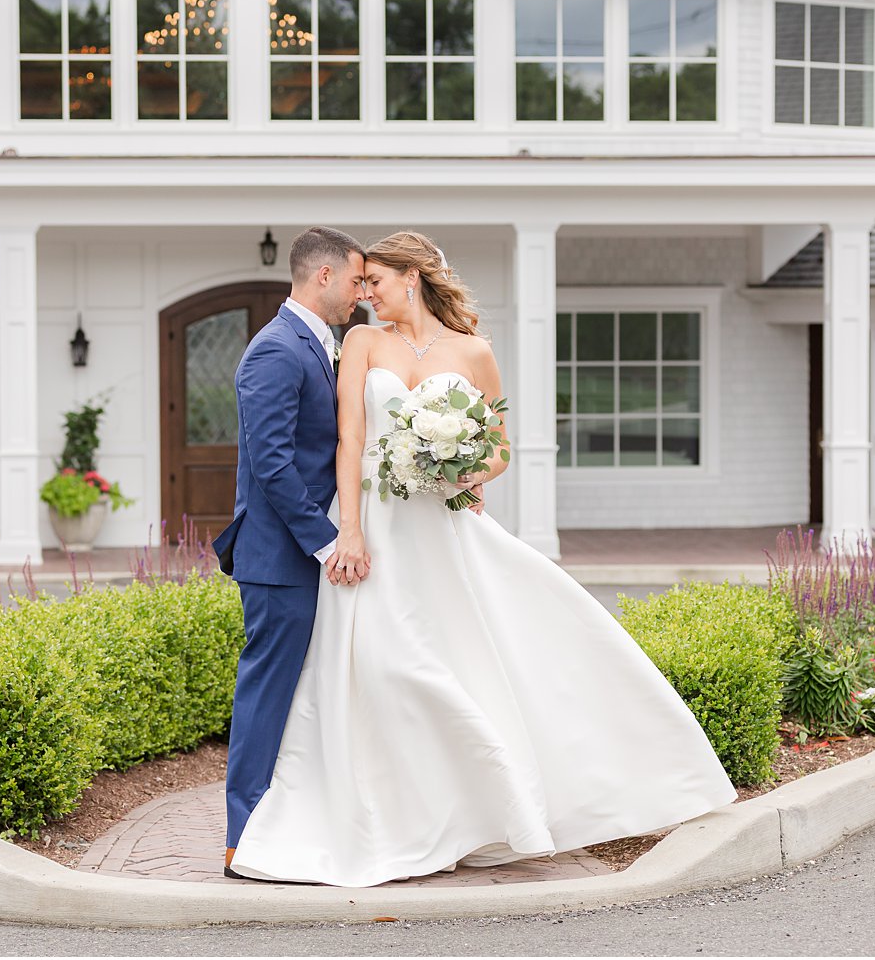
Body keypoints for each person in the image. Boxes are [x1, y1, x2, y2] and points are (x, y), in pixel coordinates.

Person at [225, 230, 739, 888]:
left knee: (477, 653)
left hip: (441, 530)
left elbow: (499, 446)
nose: (365, 295)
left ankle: (485, 806)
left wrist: (465, 471)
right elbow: (348, 444)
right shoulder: (360, 343)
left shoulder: (474, 351)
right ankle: (392, 816)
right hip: (378, 531)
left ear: (411, 278)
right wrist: (347, 530)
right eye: (359, 282)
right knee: (380, 667)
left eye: (374, 282)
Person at [211, 226, 368, 877]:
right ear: (324, 276)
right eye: (357, 280)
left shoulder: (320, 343)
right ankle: (241, 838)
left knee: (299, 695)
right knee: (266, 695)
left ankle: (286, 825)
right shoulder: (277, 349)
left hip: (302, 557)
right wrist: (328, 539)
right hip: (281, 561)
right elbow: (272, 465)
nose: (362, 294)